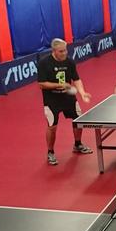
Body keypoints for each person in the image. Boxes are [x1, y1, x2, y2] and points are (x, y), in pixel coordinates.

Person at [37, 38, 93, 166]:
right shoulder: (44, 63)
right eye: (61, 51)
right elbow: (41, 84)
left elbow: (76, 79)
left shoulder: (69, 62)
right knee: (52, 126)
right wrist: (60, 85)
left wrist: (82, 92)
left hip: (68, 98)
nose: (64, 53)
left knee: (78, 120)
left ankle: (77, 144)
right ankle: (50, 152)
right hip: (51, 100)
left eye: (65, 50)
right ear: (54, 51)